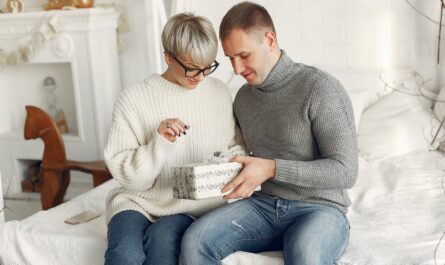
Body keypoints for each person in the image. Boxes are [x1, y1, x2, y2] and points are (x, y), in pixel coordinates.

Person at [181, 2, 358, 265]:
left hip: (319, 208)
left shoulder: (320, 89)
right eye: (230, 58)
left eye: (244, 55)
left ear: (270, 40)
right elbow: (239, 153)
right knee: (195, 241)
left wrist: (272, 168)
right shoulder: (242, 98)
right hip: (262, 206)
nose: (237, 69)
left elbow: (346, 171)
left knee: (305, 255)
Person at [103, 13, 243, 265]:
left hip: (188, 208)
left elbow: (235, 147)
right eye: (191, 68)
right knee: (125, 255)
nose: (200, 77)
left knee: (162, 245)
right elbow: (129, 179)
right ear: (168, 56)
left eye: (207, 67)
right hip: (136, 201)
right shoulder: (133, 99)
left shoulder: (219, 93)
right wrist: (159, 142)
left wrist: (227, 162)